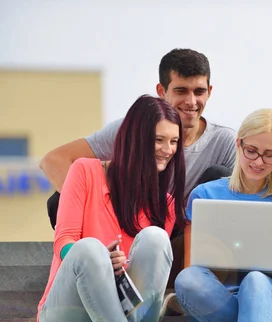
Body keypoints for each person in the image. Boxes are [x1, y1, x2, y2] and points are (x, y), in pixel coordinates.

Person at [40, 49, 235, 290]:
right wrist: (92, 207)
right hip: (123, 228)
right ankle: (99, 267)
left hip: (179, 234)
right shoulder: (130, 129)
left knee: (218, 176)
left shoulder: (225, 141)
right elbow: (53, 160)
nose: (191, 101)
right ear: (162, 91)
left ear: (210, 92)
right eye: (181, 91)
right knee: (58, 201)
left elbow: (256, 168)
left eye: (199, 91)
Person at [36, 95, 186, 322]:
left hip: (132, 317)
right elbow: (63, 240)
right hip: (70, 319)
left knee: (157, 238)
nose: (168, 149)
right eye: (159, 140)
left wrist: (122, 267)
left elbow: (147, 278)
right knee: (90, 249)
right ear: (135, 139)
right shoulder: (84, 171)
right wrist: (102, 263)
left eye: (174, 142)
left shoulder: (167, 205)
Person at [174, 108, 272, 322]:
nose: (258, 162)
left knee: (255, 280)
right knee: (187, 280)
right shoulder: (204, 195)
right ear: (239, 145)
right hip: (216, 313)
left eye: (269, 155)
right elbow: (192, 268)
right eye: (251, 151)